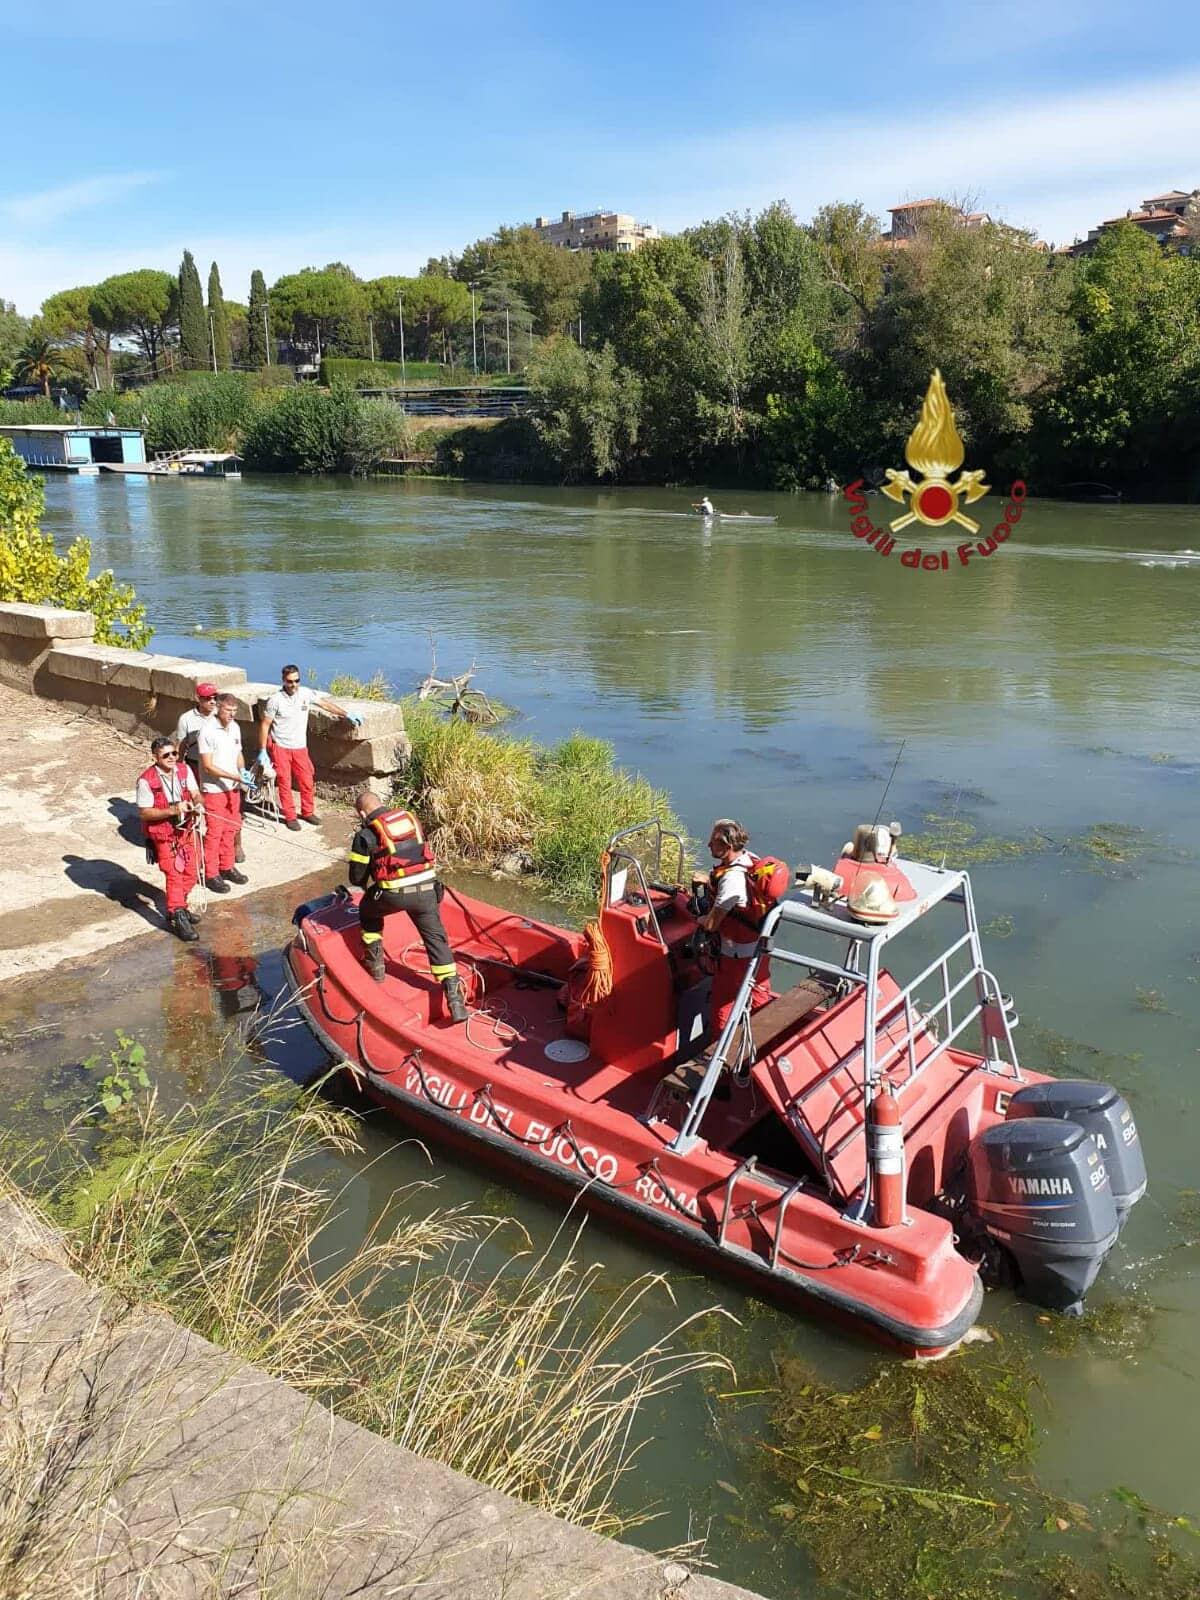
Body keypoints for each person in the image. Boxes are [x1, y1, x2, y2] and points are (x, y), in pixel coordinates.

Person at [347, 789, 468, 1022]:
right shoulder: (410, 820)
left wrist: (368, 880)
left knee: (367, 910)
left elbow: (356, 878)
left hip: (394, 894)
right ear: (381, 804)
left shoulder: (366, 835)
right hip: (428, 890)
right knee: (436, 939)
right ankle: (455, 1001)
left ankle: (376, 967)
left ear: (362, 813)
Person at [257, 665, 362, 832]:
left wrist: (346, 713)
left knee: (307, 780)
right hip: (281, 747)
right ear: (283, 680)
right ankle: (290, 817)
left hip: (300, 747)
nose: (294, 685)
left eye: (297, 681)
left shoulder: (305, 694)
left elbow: (325, 705)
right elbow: (265, 725)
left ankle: (308, 812)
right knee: (285, 782)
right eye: (290, 681)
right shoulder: (275, 700)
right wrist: (263, 751)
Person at [699, 818, 772, 1041]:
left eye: (713, 842)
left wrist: (700, 919)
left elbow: (712, 923)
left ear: (727, 847)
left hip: (735, 956)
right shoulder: (750, 860)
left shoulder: (731, 880)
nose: (708, 845)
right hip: (759, 949)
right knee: (761, 998)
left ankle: (718, 1058)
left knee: (723, 1006)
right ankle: (765, 1042)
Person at [136, 735, 201, 941]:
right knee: (174, 874)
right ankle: (178, 914)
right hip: (164, 835)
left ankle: (179, 906)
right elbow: (145, 813)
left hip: (186, 830)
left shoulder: (184, 770)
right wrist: (173, 810)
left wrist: (198, 804)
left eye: (174, 753)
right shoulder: (147, 780)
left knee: (192, 871)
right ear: (155, 757)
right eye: (166, 755)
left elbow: (196, 792)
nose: (172, 757)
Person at [174, 681, 245, 864]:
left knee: (232, 821)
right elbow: (181, 747)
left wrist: (243, 773)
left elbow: (237, 752)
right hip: (200, 767)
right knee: (210, 820)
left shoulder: (231, 723)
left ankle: (233, 853)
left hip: (228, 776)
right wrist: (179, 770)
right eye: (208, 699)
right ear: (199, 699)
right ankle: (199, 854)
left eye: (214, 698)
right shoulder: (188, 720)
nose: (212, 701)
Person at [197, 693, 252, 893]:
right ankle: (211, 874)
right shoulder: (207, 732)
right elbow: (208, 766)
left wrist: (243, 771)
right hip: (214, 790)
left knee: (232, 828)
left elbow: (238, 754)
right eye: (228, 710)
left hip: (233, 789)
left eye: (234, 711)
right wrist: (235, 777)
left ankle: (227, 866)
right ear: (218, 708)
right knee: (215, 833)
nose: (232, 714)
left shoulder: (235, 728)